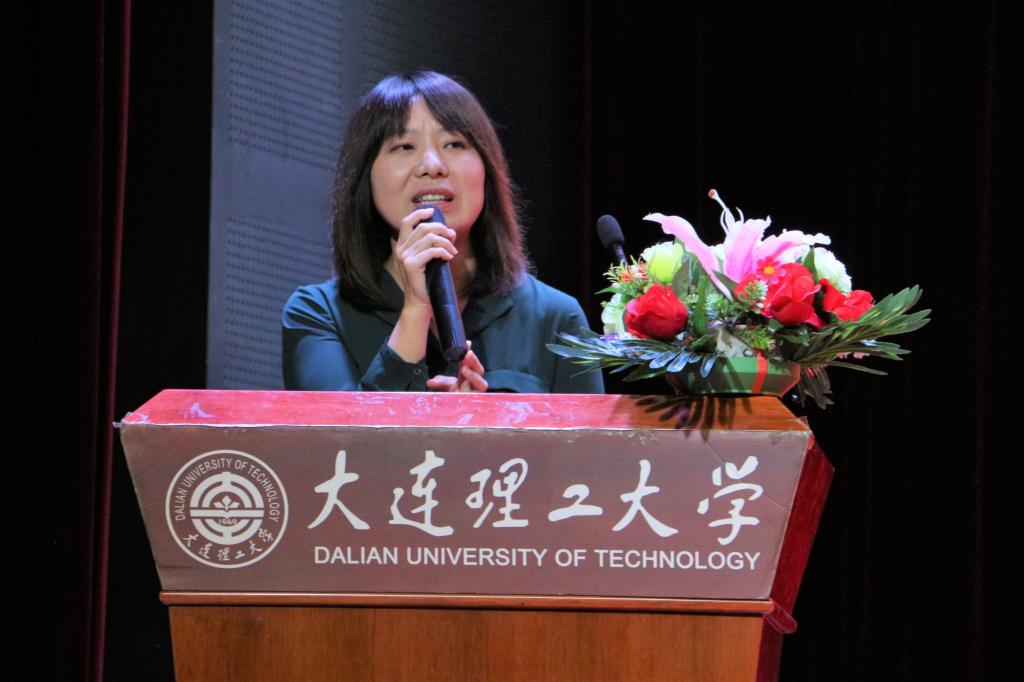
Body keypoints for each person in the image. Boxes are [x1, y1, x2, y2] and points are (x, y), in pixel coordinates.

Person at [282, 71, 604, 394]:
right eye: (404, 146)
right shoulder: (319, 314)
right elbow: (339, 427)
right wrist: (415, 311)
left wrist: (480, 423)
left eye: (454, 143)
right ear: (365, 177)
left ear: (487, 169)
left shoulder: (555, 319)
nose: (432, 164)